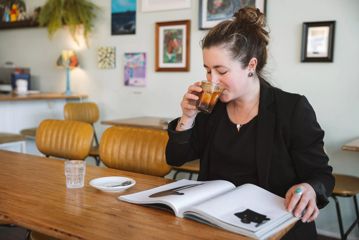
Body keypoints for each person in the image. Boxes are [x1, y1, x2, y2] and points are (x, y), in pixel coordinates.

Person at [166, 7, 334, 239]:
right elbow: (175, 158)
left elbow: (321, 176)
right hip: (215, 224)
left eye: (221, 71)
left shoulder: (291, 109)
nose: (212, 81)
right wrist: (187, 116)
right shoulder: (211, 108)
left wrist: (309, 189)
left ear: (251, 66)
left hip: (274, 227)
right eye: (207, 71)